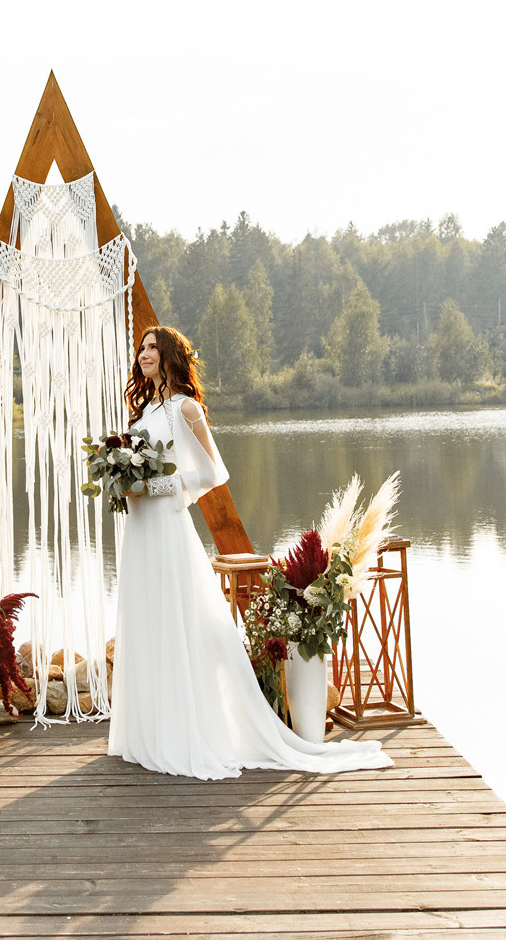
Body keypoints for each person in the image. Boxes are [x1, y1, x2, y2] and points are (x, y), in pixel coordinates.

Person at [107, 325, 391, 779]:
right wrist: (123, 480)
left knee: (178, 617)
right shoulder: (143, 410)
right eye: (141, 347)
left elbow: (213, 471)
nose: (144, 354)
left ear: (171, 356)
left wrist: (156, 485)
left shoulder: (186, 407)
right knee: (147, 616)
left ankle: (186, 730)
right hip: (139, 527)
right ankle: (148, 731)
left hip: (165, 521)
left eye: (153, 348)